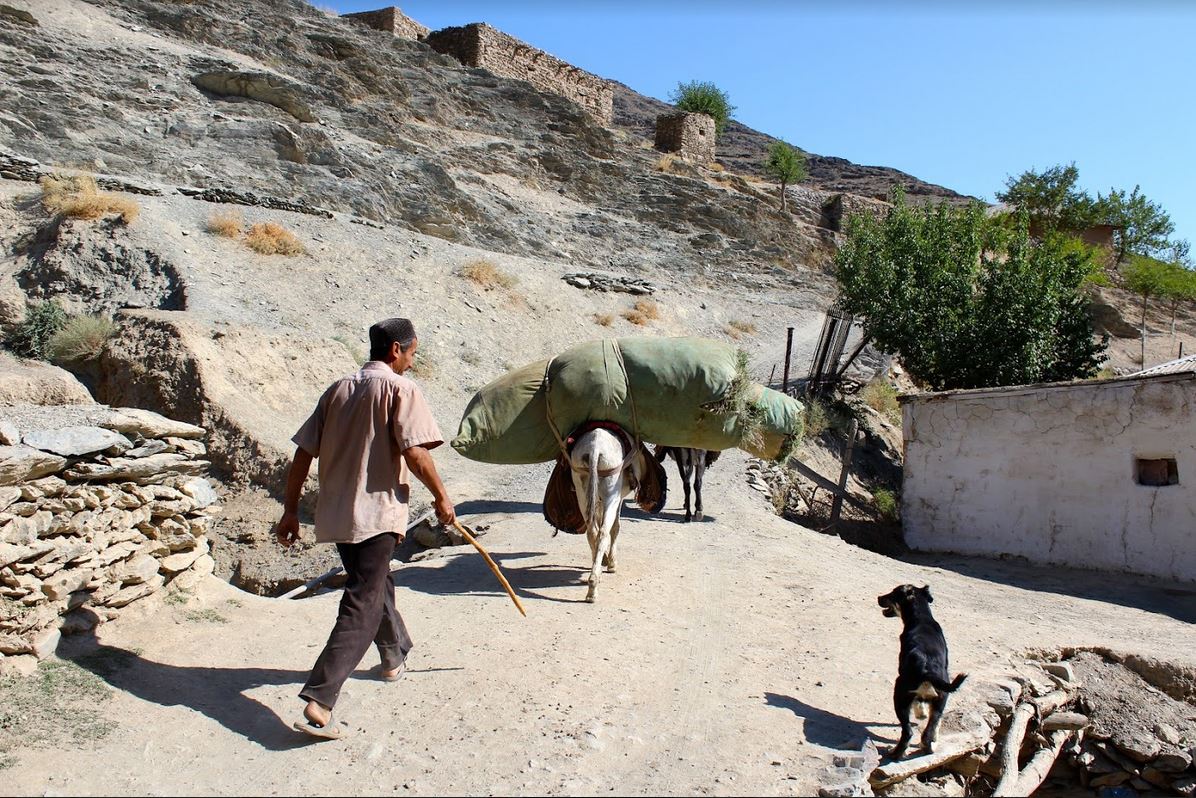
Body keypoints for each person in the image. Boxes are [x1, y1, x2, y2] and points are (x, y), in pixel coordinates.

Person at [275, 317, 456, 739]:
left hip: (338, 515)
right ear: (396, 350)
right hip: (376, 514)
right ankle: (321, 698)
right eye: (412, 354)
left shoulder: (337, 389)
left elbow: (302, 454)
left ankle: (393, 657)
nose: (412, 362)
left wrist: (289, 510)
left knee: (374, 584)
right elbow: (415, 453)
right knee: (363, 599)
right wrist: (442, 497)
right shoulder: (401, 389)